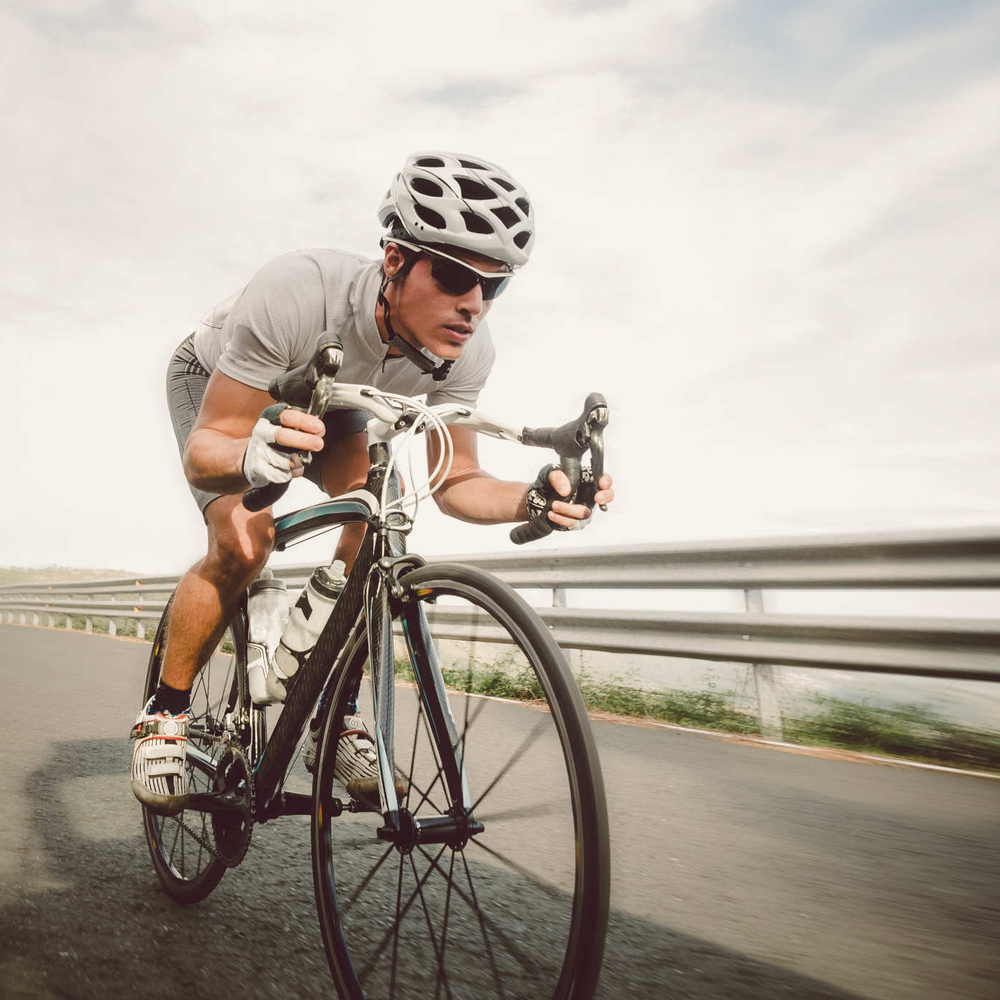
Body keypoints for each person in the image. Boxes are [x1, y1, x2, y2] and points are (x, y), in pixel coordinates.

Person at [130, 151, 615, 814]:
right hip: (228, 381)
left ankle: (337, 708)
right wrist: (250, 458)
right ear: (395, 260)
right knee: (245, 544)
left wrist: (533, 497)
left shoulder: (465, 350)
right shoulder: (299, 291)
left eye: (492, 287)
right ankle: (165, 712)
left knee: (378, 531)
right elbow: (205, 451)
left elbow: (458, 479)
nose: (472, 305)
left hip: (339, 399)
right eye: (452, 275)